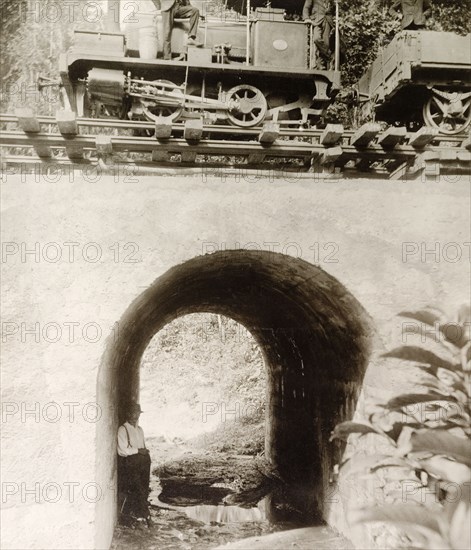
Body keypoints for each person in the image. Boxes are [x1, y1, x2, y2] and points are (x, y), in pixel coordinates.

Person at [117, 402, 151, 523]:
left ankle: (142, 511)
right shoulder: (123, 429)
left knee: (144, 485)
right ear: (128, 414)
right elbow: (122, 450)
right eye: (132, 413)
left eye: (137, 413)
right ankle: (139, 513)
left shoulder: (140, 430)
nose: (135, 416)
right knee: (136, 487)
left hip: (143, 462)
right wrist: (138, 451)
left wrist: (145, 453)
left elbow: (142, 446)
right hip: (131, 463)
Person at [302, 0, 333, 67]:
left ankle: (321, 65)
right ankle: (329, 56)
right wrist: (306, 18)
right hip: (316, 21)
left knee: (326, 43)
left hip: (327, 20)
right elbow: (306, 7)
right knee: (316, 39)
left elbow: (334, 6)